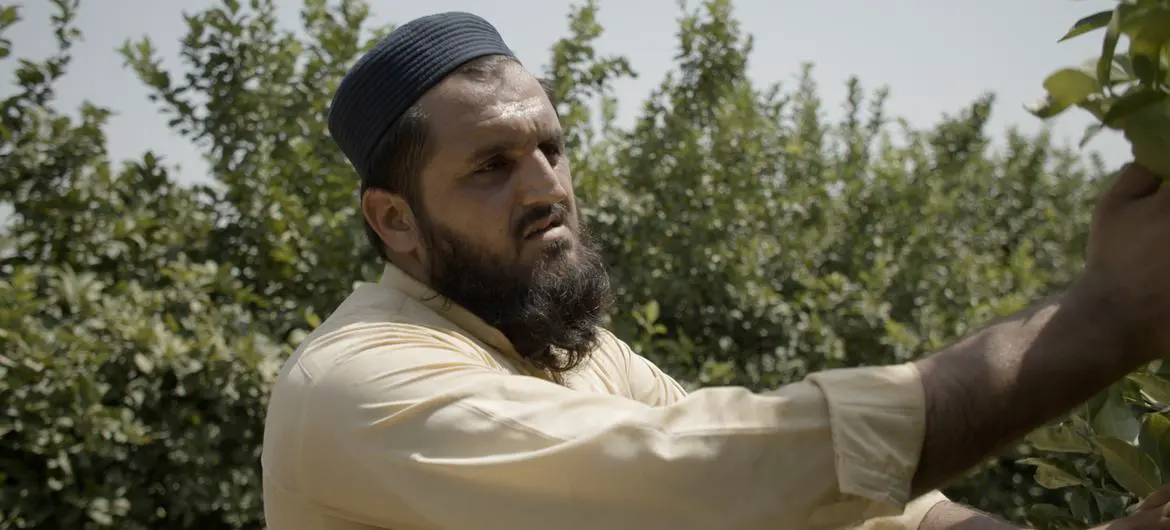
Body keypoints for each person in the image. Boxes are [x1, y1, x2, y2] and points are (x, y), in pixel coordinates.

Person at [259, 10, 1170, 530]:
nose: (549, 189)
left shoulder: (577, 358)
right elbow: (715, 484)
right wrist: (1103, 321)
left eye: (552, 148)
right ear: (394, 222)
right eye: (491, 167)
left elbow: (808, 487)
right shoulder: (363, 385)